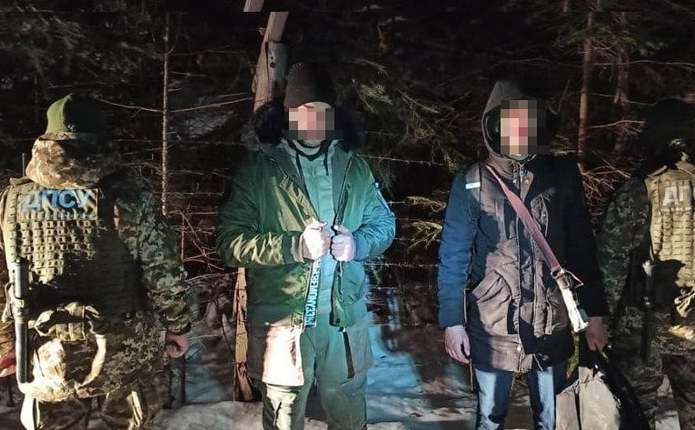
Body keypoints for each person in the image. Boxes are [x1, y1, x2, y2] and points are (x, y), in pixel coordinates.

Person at [216, 62, 395, 430]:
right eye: (304, 110)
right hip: (282, 321)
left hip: (342, 321)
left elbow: (385, 224)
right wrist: (294, 246)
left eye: (321, 110)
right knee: (284, 411)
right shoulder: (258, 170)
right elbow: (230, 242)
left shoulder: (355, 167)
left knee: (348, 409)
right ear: (289, 113)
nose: (313, 120)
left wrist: (358, 244)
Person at [0, 94, 192, 429]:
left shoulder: (14, 199)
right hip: (123, 349)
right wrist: (177, 326)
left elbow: (6, 275)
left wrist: (5, 340)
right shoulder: (129, 195)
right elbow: (162, 271)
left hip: (46, 352)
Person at [437, 79, 609, 430]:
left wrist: (595, 312)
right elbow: (453, 256)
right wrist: (452, 321)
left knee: (553, 419)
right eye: (512, 121)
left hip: (551, 321)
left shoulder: (561, 176)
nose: (520, 130)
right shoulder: (473, 181)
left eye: (528, 122)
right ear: (494, 125)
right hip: (493, 323)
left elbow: (582, 248)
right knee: (490, 419)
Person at [597, 98, 695, 429]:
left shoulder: (640, 189)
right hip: (691, 323)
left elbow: (611, 264)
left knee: (638, 413)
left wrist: (602, 321)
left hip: (643, 327)